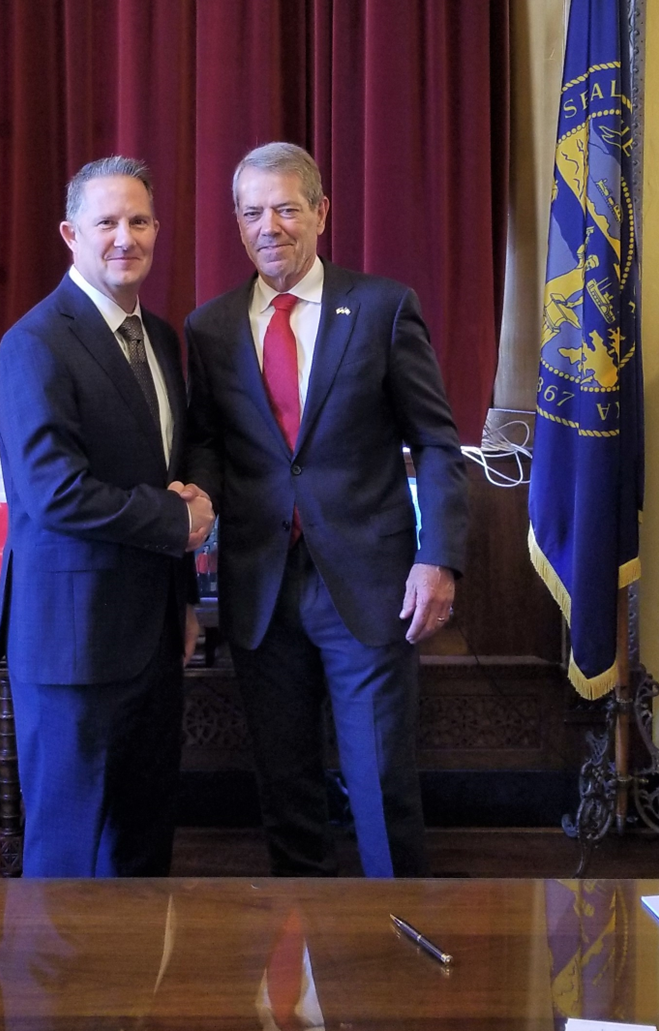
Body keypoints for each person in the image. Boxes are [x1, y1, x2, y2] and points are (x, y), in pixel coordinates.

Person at [185, 142, 468, 877]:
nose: (268, 226)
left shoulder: (380, 307)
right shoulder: (209, 328)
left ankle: (397, 941)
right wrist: (197, 499)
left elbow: (435, 442)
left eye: (284, 208)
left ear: (320, 212)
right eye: (251, 212)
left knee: (379, 781)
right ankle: (299, 953)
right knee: (284, 784)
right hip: (260, 586)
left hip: (369, 585)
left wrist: (437, 558)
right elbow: (210, 442)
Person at [0, 156, 214, 878]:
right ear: (70, 233)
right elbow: (53, 491)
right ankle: (55, 998)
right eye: (107, 222)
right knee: (66, 857)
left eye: (139, 220)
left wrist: (181, 597)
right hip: (70, 646)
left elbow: (167, 469)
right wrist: (175, 524)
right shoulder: (35, 343)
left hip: (151, 635)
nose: (126, 237)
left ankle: (132, 994)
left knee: (143, 848)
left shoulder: (161, 339)